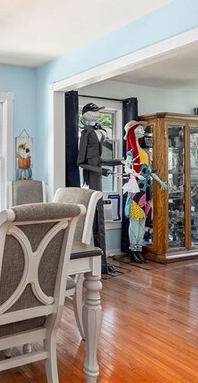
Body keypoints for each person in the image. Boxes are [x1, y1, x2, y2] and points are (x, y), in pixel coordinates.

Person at [77, 103, 122, 274]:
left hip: (99, 177)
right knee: (97, 218)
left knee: (100, 219)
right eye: (94, 111)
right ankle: (100, 262)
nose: (97, 114)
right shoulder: (85, 134)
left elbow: (99, 159)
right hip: (92, 180)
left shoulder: (99, 131)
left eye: (98, 112)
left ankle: (103, 261)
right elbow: (81, 163)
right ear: (86, 114)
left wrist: (119, 162)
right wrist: (102, 171)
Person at [122, 120, 167, 263]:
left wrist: (159, 180)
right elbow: (126, 169)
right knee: (135, 221)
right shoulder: (131, 152)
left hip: (146, 189)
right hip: (136, 189)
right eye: (139, 128)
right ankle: (133, 250)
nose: (142, 131)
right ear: (132, 132)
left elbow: (149, 171)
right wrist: (136, 174)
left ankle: (139, 248)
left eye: (142, 129)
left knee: (142, 221)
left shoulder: (145, 153)